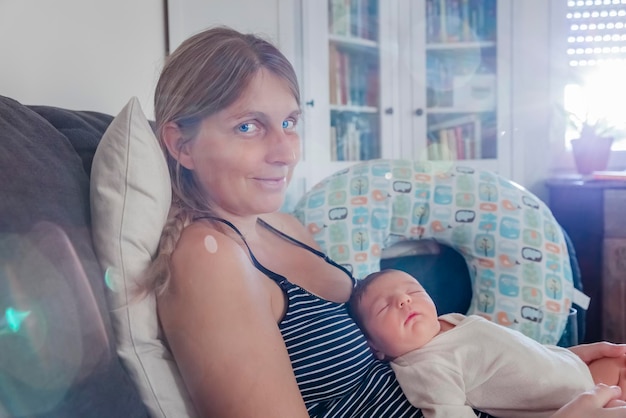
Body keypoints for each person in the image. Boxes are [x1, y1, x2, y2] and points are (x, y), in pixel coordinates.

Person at [145, 25, 626, 417]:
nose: (285, 151)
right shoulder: (208, 258)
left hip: (481, 400)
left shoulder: (282, 225)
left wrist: (546, 365)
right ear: (181, 143)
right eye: (248, 126)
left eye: (290, 122)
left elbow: (413, 354)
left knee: (614, 369)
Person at [348, 268, 626, 417]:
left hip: (574, 370)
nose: (403, 300)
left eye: (413, 291)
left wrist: (567, 354)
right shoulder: (424, 366)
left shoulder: (452, 320)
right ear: (375, 347)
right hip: (571, 401)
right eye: (384, 308)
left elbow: (515, 349)